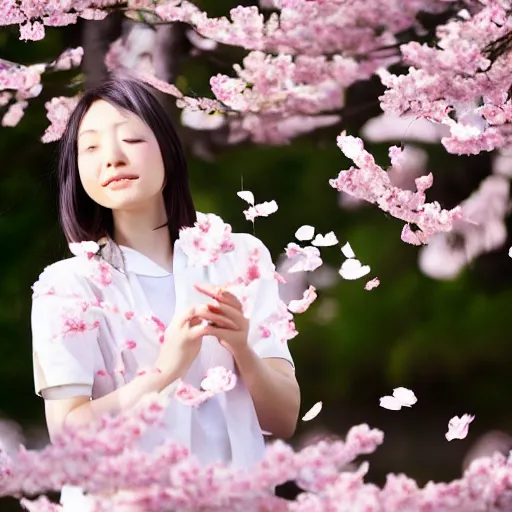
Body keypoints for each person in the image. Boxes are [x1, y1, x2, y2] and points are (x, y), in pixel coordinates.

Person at [31, 76, 300, 507]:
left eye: (132, 139)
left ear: (167, 151)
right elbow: (68, 434)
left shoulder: (239, 257)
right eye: (92, 148)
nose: (113, 159)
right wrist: (164, 371)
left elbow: (284, 417)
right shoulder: (64, 286)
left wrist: (241, 348)